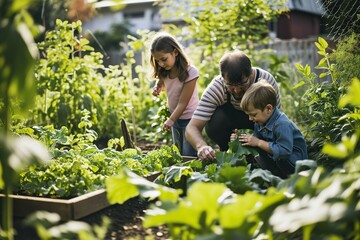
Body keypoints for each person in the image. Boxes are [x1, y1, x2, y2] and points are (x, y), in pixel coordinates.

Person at [185, 50, 281, 160]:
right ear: (223, 78)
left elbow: (277, 119)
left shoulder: (265, 81)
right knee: (216, 119)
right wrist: (201, 147)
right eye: (230, 85)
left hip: (259, 128)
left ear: (250, 73)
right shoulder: (217, 87)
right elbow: (191, 128)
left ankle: (259, 155)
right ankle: (227, 152)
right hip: (230, 128)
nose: (237, 90)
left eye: (242, 84)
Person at [230, 79, 308, 178]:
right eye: (248, 115)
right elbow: (254, 140)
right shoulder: (260, 122)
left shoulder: (282, 125)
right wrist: (239, 139)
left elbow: (284, 152)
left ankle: (278, 176)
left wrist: (258, 142)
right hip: (277, 159)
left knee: (261, 148)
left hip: (293, 165)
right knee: (257, 150)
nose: (250, 119)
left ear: (268, 109)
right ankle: (271, 174)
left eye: (253, 114)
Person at [150, 32, 199, 157]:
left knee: (188, 154)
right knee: (178, 153)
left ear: (175, 52)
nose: (161, 64)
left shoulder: (190, 73)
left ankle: (196, 176)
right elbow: (161, 83)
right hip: (175, 118)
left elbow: (183, 102)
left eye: (164, 59)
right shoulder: (165, 71)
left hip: (190, 120)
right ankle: (182, 176)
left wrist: (171, 120)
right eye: (157, 61)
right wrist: (158, 88)